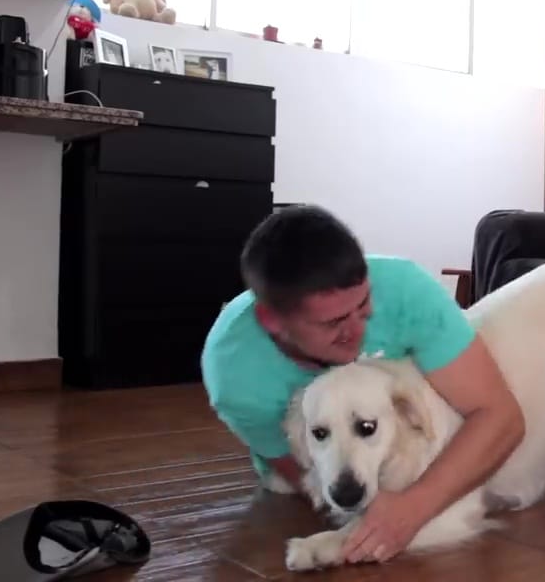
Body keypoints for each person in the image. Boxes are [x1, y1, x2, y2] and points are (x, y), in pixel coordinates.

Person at [200, 204, 524, 564]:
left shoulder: (405, 292)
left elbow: (500, 416)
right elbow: (311, 480)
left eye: (364, 305)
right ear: (272, 321)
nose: (357, 331)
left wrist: (414, 509)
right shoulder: (236, 376)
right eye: (334, 322)